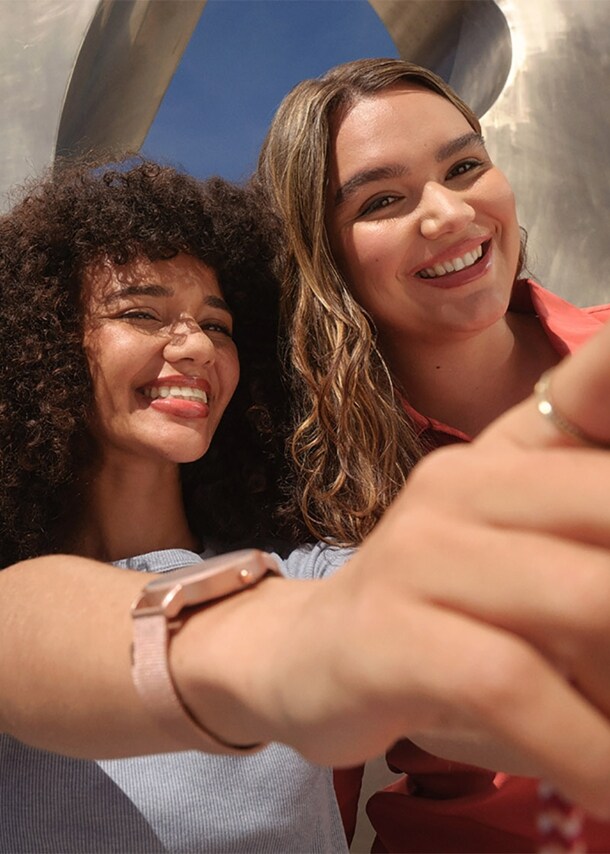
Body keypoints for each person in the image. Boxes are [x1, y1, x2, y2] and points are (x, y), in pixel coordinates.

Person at [2, 157, 610, 854]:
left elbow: (452, 687)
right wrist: (276, 645)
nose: (196, 346)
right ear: (39, 340)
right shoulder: (24, 602)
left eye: (219, 325)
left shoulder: (313, 579)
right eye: (141, 313)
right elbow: (23, 624)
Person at [255, 57, 610, 851]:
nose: (448, 213)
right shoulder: (311, 495)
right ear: (324, 256)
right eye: (383, 200)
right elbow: (296, 798)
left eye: (465, 167)